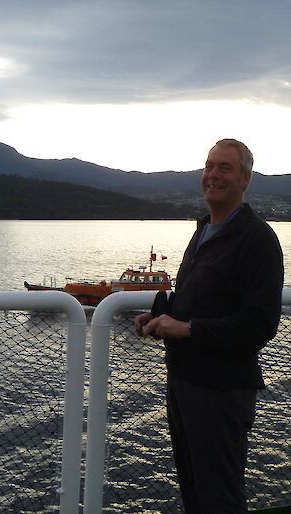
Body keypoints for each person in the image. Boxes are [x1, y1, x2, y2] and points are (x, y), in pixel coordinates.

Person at [134, 139, 284, 513]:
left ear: (245, 179)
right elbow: (200, 299)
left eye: (225, 168)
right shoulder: (203, 231)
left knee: (220, 497)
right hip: (183, 381)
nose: (213, 175)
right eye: (209, 166)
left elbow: (260, 323)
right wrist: (158, 319)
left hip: (221, 391)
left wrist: (188, 329)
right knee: (194, 492)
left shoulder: (258, 239)